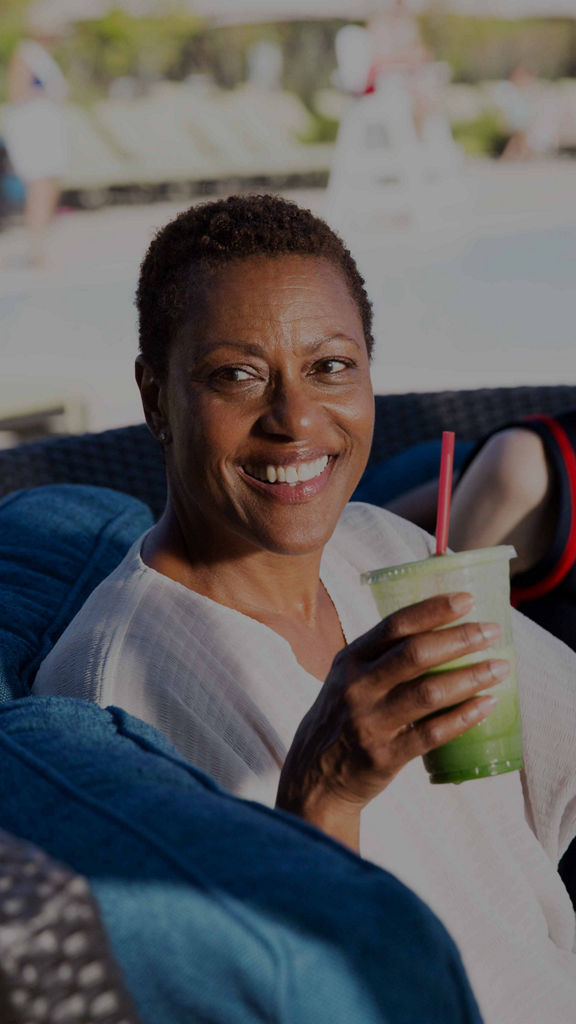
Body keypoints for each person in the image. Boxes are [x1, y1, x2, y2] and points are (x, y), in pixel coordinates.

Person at [33, 194, 576, 1024]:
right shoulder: (109, 692)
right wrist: (323, 798)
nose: (295, 420)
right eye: (236, 375)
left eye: (330, 367)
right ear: (154, 398)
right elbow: (255, 999)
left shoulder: (387, 551)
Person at [2, 10, 69, 268]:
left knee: (49, 185)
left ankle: (41, 243)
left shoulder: (45, 57)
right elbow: (16, 91)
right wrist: (47, 93)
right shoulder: (26, 53)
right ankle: (37, 248)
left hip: (48, 128)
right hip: (32, 129)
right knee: (38, 187)